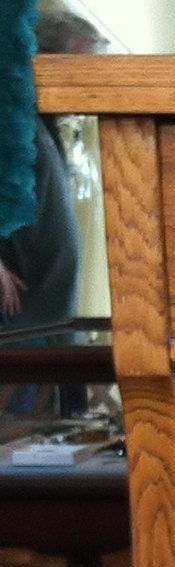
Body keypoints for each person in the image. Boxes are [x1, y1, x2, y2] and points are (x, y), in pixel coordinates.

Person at [0, 6, 105, 334]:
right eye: (79, 72)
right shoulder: (12, 122)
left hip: (46, 320)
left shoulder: (45, 128)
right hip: (18, 317)